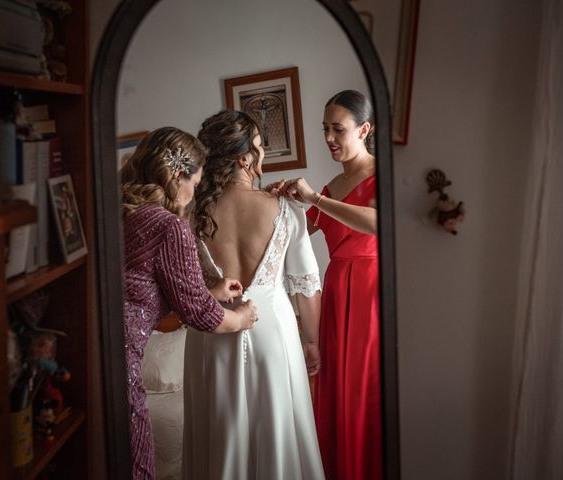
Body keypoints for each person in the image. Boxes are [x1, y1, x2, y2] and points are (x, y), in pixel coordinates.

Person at [182, 109, 325, 480]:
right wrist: (312, 342)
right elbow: (307, 287)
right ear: (244, 158)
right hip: (272, 337)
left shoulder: (190, 214)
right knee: (277, 431)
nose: (263, 156)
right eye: (260, 147)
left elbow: (183, 287)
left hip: (211, 336)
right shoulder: (284, 210)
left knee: (218, 432)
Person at [121, 126, 258, 480]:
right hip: (122, 365)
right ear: (178, 175)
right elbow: (199, 315)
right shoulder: (169, 225)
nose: (193, 194)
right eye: (195, 184)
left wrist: (211, 291)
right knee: (135, 464)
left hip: (99, 358)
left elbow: (152, 289)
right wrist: (241, 317)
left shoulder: (124, 214)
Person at [272, 90, 381, 480]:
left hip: (370, 290)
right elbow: (298, 234)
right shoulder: (336, 184)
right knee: (336, 385)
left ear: (364, 129)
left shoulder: (378, 176)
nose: (330, 138)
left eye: (339, 129)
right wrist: (281, 205)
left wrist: (315, 197)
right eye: (325, 130)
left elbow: (374, 221)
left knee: (363, 386)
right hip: (337, 291)